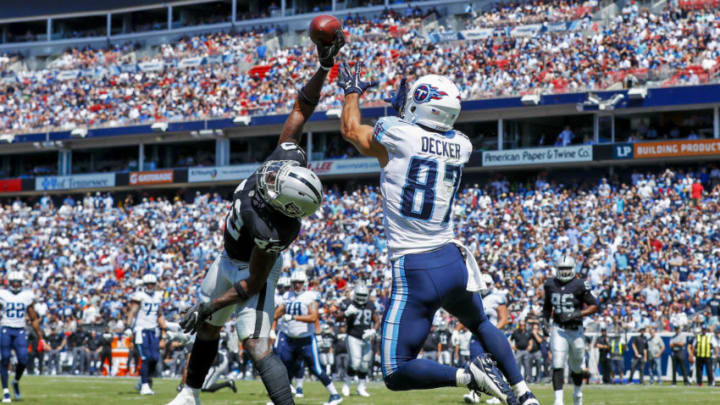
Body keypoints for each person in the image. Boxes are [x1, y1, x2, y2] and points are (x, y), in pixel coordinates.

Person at [337, 63, 538, 405]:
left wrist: (352, 91)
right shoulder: (461, 144)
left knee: (394, 369)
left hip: (416, 267)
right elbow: (423, 138)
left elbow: (351, 130)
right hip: (452, 260)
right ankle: (525, 393)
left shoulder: (397, 132)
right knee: (481, 324)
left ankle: (469, 375)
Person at [167, 29, 345, 405]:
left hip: (250, 270)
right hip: (227, 258)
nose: (269, 172)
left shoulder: (274, 228)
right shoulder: (285, 163)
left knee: (255, 341)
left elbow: (252, 283)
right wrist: (324, 67)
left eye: (274, 180)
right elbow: (302, 108)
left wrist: (213, 304)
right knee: (207, 328)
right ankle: (189, 394)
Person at [274, 271, 342, 405]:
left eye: (299, 282)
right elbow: (278, 312)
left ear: (304, 283)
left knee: (316, 368)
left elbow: (313, 317)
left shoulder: (310, 296)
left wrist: (293, 317)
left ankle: (335, 395)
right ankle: (280, 400)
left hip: (305, 339)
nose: (297, 285)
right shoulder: (287, 295)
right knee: (283, 368)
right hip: (289, 339)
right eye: (295, 283)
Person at [543, 256, 599, 405]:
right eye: (562, 269)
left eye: (567, 269)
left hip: (576, 330)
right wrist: (544, 321)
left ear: (573, 268)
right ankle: (558, 401)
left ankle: (577, 394)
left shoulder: (580, 284)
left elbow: (594, 305)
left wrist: (577, 314)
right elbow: (547, 306)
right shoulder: (550, 284)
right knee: (557, 363)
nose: (565, 272)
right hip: (558, 329)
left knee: (577, 366)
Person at [0, 271, 44, 403]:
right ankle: (6, 391)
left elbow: (33, 318)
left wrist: (40, 337)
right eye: (13, 282)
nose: (15, 284)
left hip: (19, 330)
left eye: (18, 282)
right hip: (6, 329)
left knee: (24, 359)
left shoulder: (27, 295)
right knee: (5, 358)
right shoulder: (3, 294)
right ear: (9, 282)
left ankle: (16, 381)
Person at [127, 273, 167, 395]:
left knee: (155, 358)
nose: (150, 286)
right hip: (141, 329)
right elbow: (132, 312)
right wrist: (129, 327)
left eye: (152, 284)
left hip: (153, 330)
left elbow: (159, 314)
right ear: (144, 285)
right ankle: (145, 386)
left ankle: (142, 381)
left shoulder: (158, 296)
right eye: (148, 284)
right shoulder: (139, 296)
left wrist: (164, 332)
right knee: (146, 357)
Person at [339, 283, 379, 398]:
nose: (361, 297)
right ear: (355, 294)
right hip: (353, 336)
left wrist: (373, 330)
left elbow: (376, 320)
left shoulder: (370, 305)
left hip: (366, 337)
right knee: (355, 363)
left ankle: (361, 388)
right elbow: (337, 317)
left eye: (363, 295)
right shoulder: (348, 304)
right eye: (359, 294)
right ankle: (346, 384)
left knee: (365, 364)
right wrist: (346, 313)